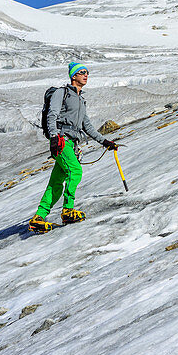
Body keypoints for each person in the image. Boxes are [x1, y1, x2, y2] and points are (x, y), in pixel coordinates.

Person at [29, 63, 117, 232]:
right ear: (73, 76)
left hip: (71, 143)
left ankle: (38, 217)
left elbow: (88, 126)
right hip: (62, 141)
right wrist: (54, 137)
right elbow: (52, 115)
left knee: (55, 182)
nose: (86, 75)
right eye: (82, 72)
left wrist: (104, 142)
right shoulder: (61, 93)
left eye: (87, 73)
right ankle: (68, 210)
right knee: (75, 171)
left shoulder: (81, 100)